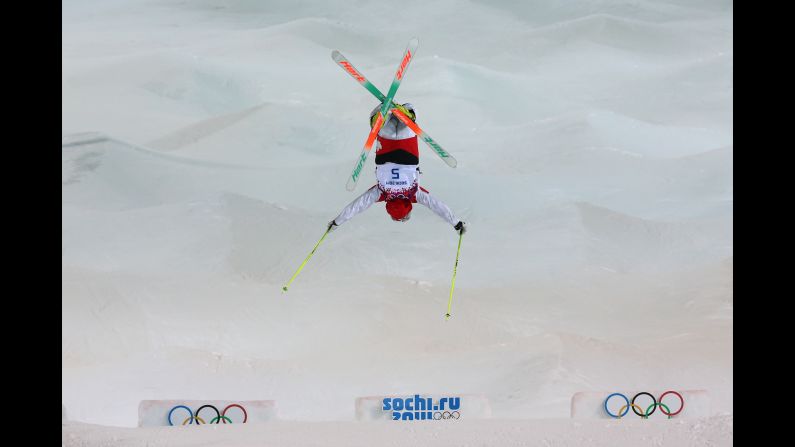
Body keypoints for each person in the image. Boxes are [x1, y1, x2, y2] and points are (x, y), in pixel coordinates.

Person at [328, 102, 466, 235]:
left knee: (411, 109)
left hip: (408, 150)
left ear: (409, 206)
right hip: (386, 149)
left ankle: (407, 112)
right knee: (376, 121)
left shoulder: (414, 194)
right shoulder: (382, 193)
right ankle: (383, 115)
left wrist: (456, 223)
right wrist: (336, 222)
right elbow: (358, 206)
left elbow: (436, 205)